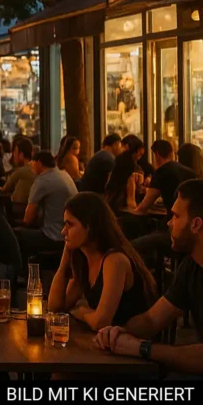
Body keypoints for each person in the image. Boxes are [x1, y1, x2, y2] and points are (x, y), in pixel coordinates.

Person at [95, 179, 203, 375]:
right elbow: (152, 320)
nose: (169, 223)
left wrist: (142, 348)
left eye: (176, 216)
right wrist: (118, 332)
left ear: (196, 224)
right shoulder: (192, 265)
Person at [47, 192, 155, 331]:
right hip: (108, 338)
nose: (63, 231)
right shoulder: (84, 258)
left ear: (90, 227)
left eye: (70, 225)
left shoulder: (115, 260)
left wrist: (82, 312)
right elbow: (56, 307)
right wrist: (65, 260)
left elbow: (101, 322)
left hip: (131, 338)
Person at [16, 151, 78, 262]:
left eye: (32, 163)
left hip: (53, 237)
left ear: (39, 163)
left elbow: (27, 219)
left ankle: (26, 269)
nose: (31, 167)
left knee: (16, 235)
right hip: (71, 234)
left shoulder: (43, 180)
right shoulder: (64, 174)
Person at [134, 139, 195, 217]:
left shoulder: (161, 172)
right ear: (171, 153)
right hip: (192, 218)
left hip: (174, 219)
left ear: (157, 155)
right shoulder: (189, 171)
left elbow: (144, 206)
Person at [104, 151, 145, 216]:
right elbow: (132, 212)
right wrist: (131, 191)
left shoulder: (112, 183)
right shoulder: (120, 194)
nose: (141, 188)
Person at [0, 137, 36, 205]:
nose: (13, 155)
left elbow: (4, 189)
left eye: (15, 152)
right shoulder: (36, 167)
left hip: (20, 207)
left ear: (21, 155)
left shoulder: (19, 172)